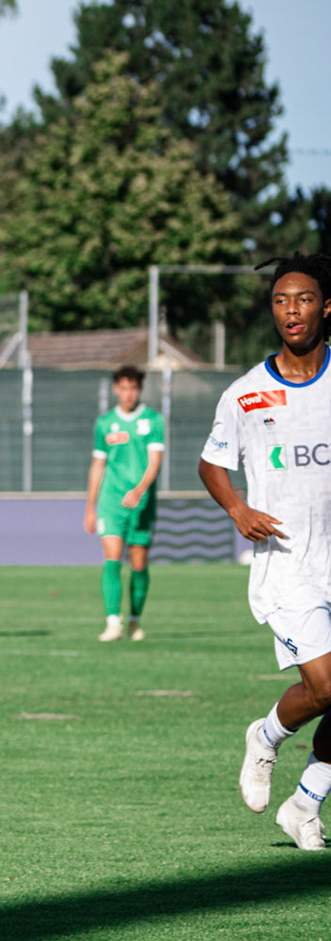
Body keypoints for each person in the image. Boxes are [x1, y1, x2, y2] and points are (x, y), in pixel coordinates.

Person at [206, 252, 331, 851]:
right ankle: (266, 736)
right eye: (281, 300)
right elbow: (212, 464)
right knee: (326, 687)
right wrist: (238, 509)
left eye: (303, 299)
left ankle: (304, 805)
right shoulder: (246, 394)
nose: (291, 310)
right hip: (289, 564)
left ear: (327, 307)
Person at [83, 365, 165, 641]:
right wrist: (90, 507)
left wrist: (140, 490)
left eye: (133, 388)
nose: (128, 394)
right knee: (112, 558)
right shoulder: (104, 423)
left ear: (139, 389)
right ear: (115, 389)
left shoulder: (154, 421)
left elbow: (155, 462)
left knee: (138, 564)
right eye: (124, 388)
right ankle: (112, 623)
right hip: (111, 501)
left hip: (142, 503)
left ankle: (134, 620)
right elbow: (98, 465)